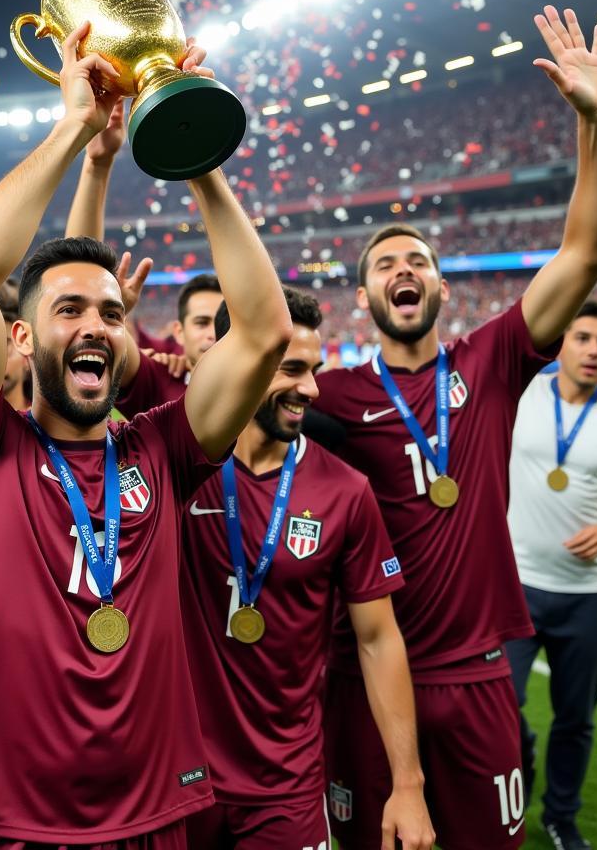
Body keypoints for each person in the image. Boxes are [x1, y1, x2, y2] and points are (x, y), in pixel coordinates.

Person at [0, 21, 290, 847]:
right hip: (3, 821)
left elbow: (263, 332)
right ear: (21, 338)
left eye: (113, 314)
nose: (96, 326)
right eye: (69, 310)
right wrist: (75, 128)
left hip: (152, 816)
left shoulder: (162, 447)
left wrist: (194, 148)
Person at [310, 5, 597, 850]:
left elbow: (586, 253)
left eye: (419, 262)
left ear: (442, 291)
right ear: (363, 299)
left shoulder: (493, 357)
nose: (403, 271)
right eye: (385, 265)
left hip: (479, 671)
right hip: (370, 672)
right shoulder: (331, 393)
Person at [181, 290, 435, 850]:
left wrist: (408, 783)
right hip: (177, 780)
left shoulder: (346, 491)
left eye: (315, 370)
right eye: (291, 369)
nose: (313, 389)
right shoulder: (174, 467)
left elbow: (377, 638)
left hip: (287, 785)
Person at [506, 300, 597, 850]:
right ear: (563, 343)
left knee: (576, 720)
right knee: (501, 706)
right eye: (583, 338)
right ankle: (515, 776)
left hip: (588, 596)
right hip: (514, 586)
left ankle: (561, 817)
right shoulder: (524, 397)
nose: (594, 350)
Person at [64, 100, 223, 417]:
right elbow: (76, 274)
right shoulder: (164, 387)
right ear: (178, 333)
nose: (212, 335)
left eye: (222, 325)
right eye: (202, 322)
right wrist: (97, 165)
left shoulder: (273, 393)